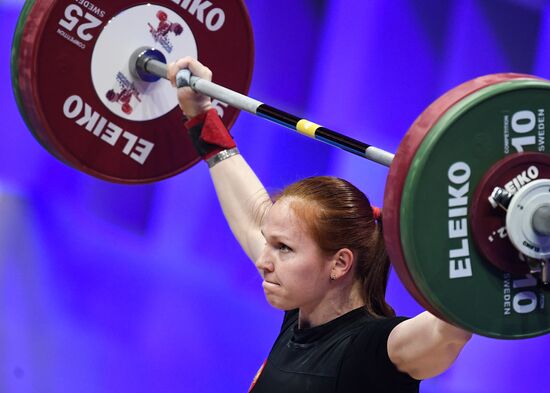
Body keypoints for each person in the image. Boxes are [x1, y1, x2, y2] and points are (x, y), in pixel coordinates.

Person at [167, 58, 472, 393]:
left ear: (340, 263)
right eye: (270, 244)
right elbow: (254, 218)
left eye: (283, 248)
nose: (263, 261)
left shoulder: (376, 350)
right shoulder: (302, 311)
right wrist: (201, 115)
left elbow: (448, 329)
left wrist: (494, 245)